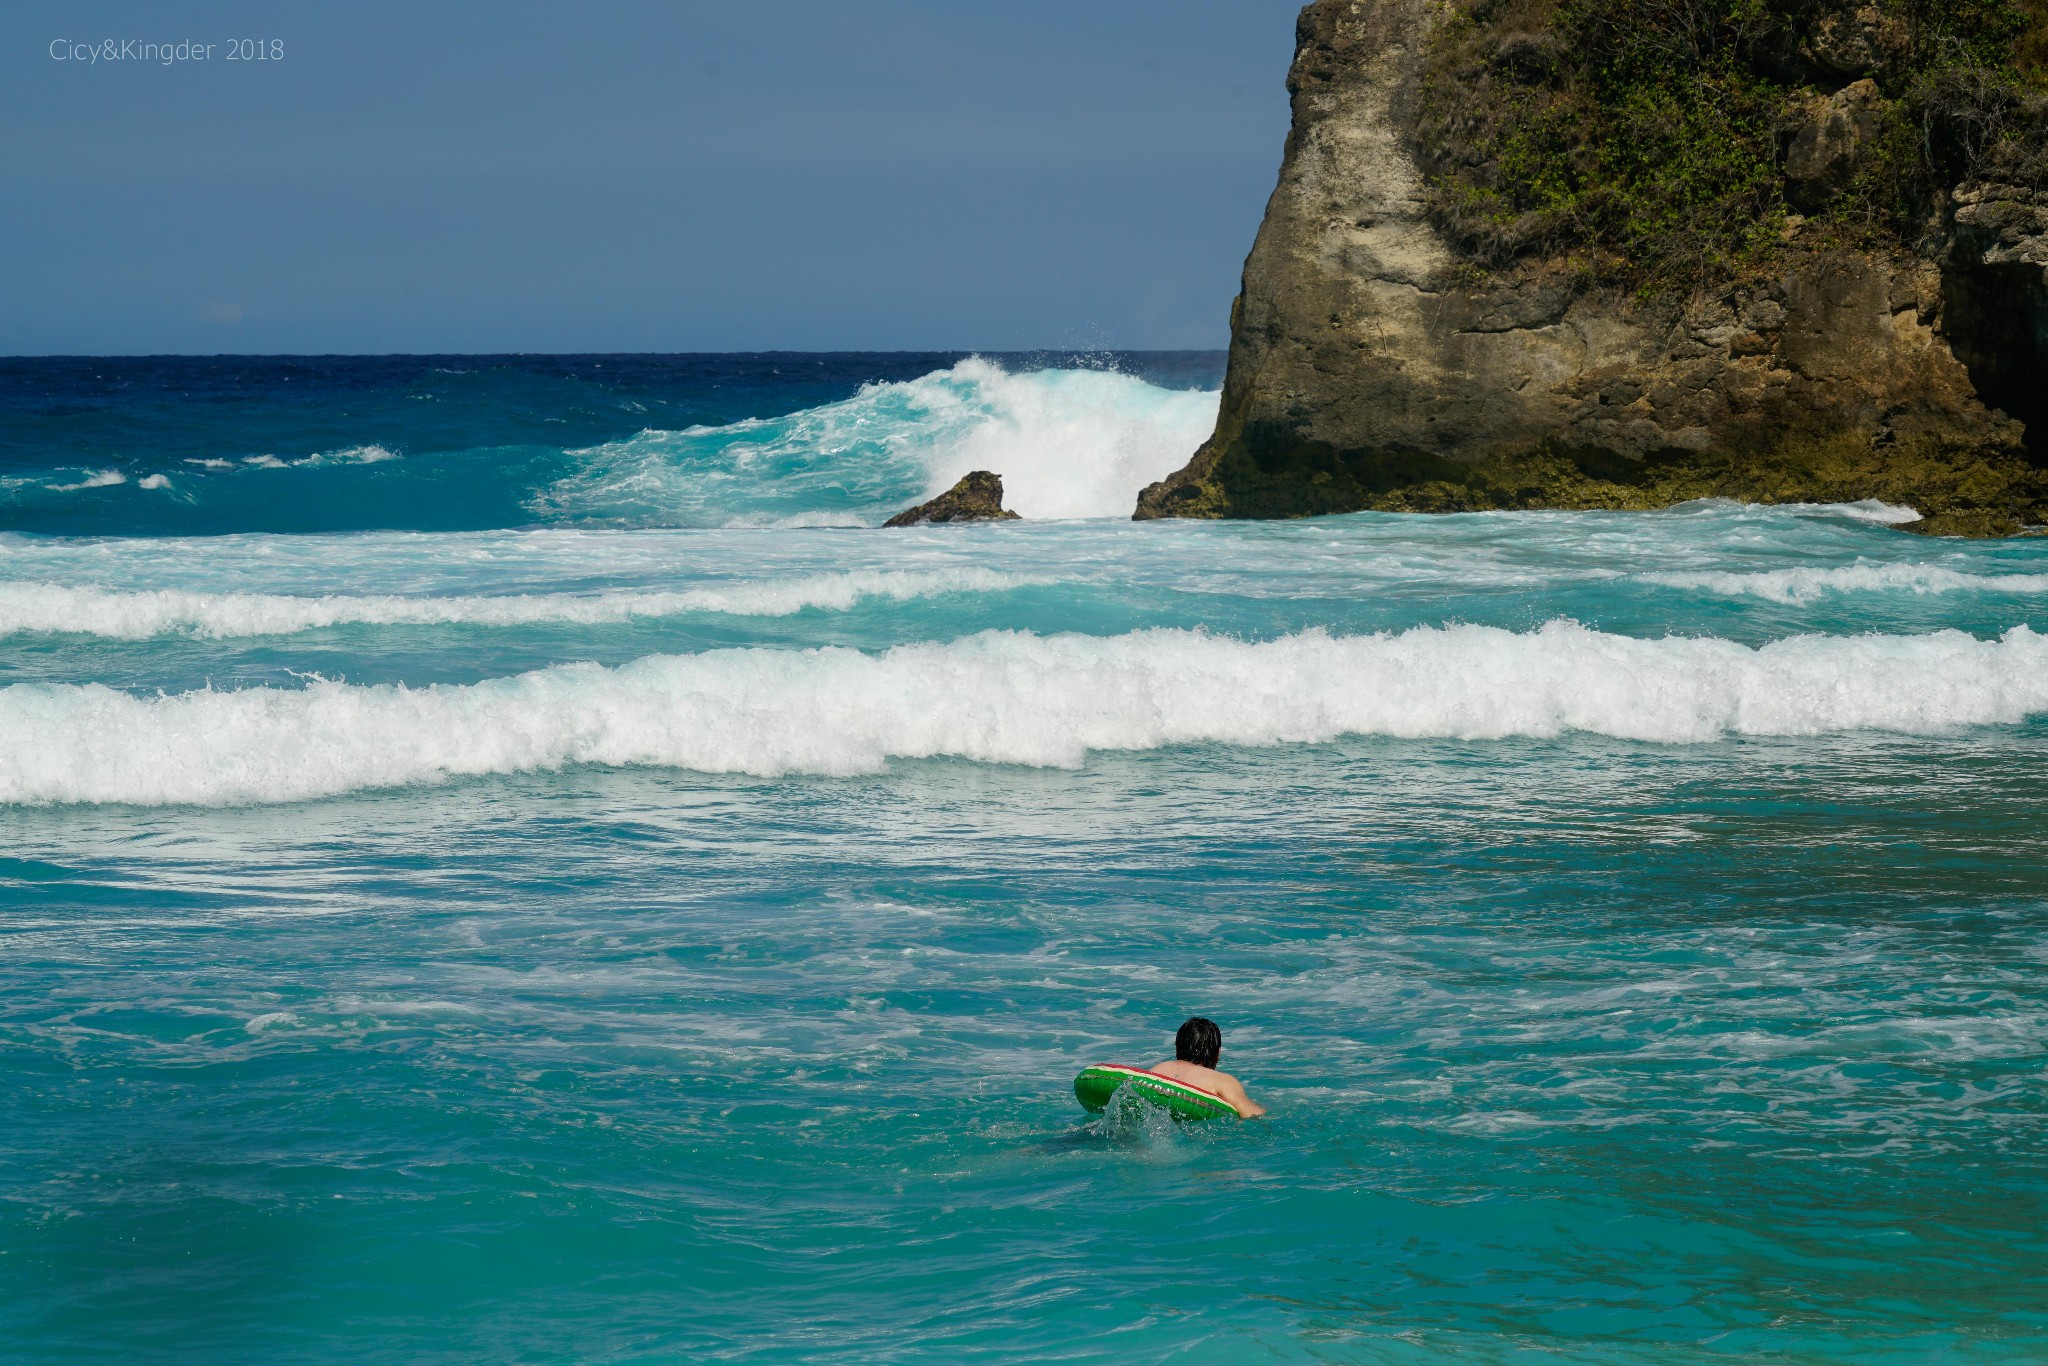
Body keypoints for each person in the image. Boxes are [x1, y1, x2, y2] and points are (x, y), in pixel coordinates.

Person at [1153, 1016, 1265, 1118]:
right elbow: (1253, 1116)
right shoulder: (1222, 1081)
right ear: (1218, 1053)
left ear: (1177, 1048)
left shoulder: (1159, 1069)